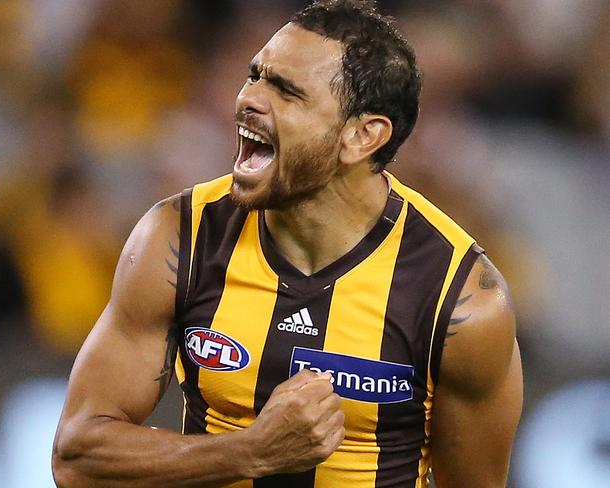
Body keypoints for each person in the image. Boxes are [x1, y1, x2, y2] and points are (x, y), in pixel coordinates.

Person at [52, 1, 523, 487]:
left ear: (362, 136)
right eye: (255, 75)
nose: (247, 99)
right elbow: (77, 457)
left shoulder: (460, 298)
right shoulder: (180, 237)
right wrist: (249, 452)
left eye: (286, 91)